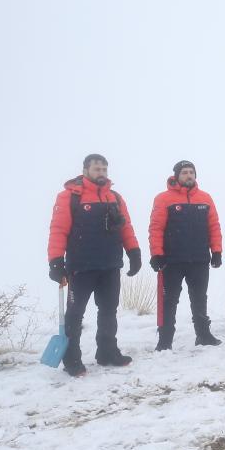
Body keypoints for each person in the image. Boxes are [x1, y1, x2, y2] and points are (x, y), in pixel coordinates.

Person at [47, 153, 141, 376]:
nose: (101, 173)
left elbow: (126, 227)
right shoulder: (70, 197)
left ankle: (107, 352)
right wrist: (55, 261)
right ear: (85, 170)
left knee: (108, 311)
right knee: (75, 314)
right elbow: (58, 230)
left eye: (104, 170)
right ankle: (72, 359)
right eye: (97, 169)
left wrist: (134, 252)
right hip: (81, 267)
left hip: (110, 265)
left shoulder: (115, 198)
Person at [147, 160, 223, 350]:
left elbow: (214, 226)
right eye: (185, 173)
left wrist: (217, 251)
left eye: (191, 172)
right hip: (172, 260)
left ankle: (203, 335)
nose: (189, 175)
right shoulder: (163, 198)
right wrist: (157, 254)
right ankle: (165, 341)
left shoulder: (205, 198)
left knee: (199, 298)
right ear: (176, 176)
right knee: (169, 300)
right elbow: (156, 228)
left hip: (199, 258)